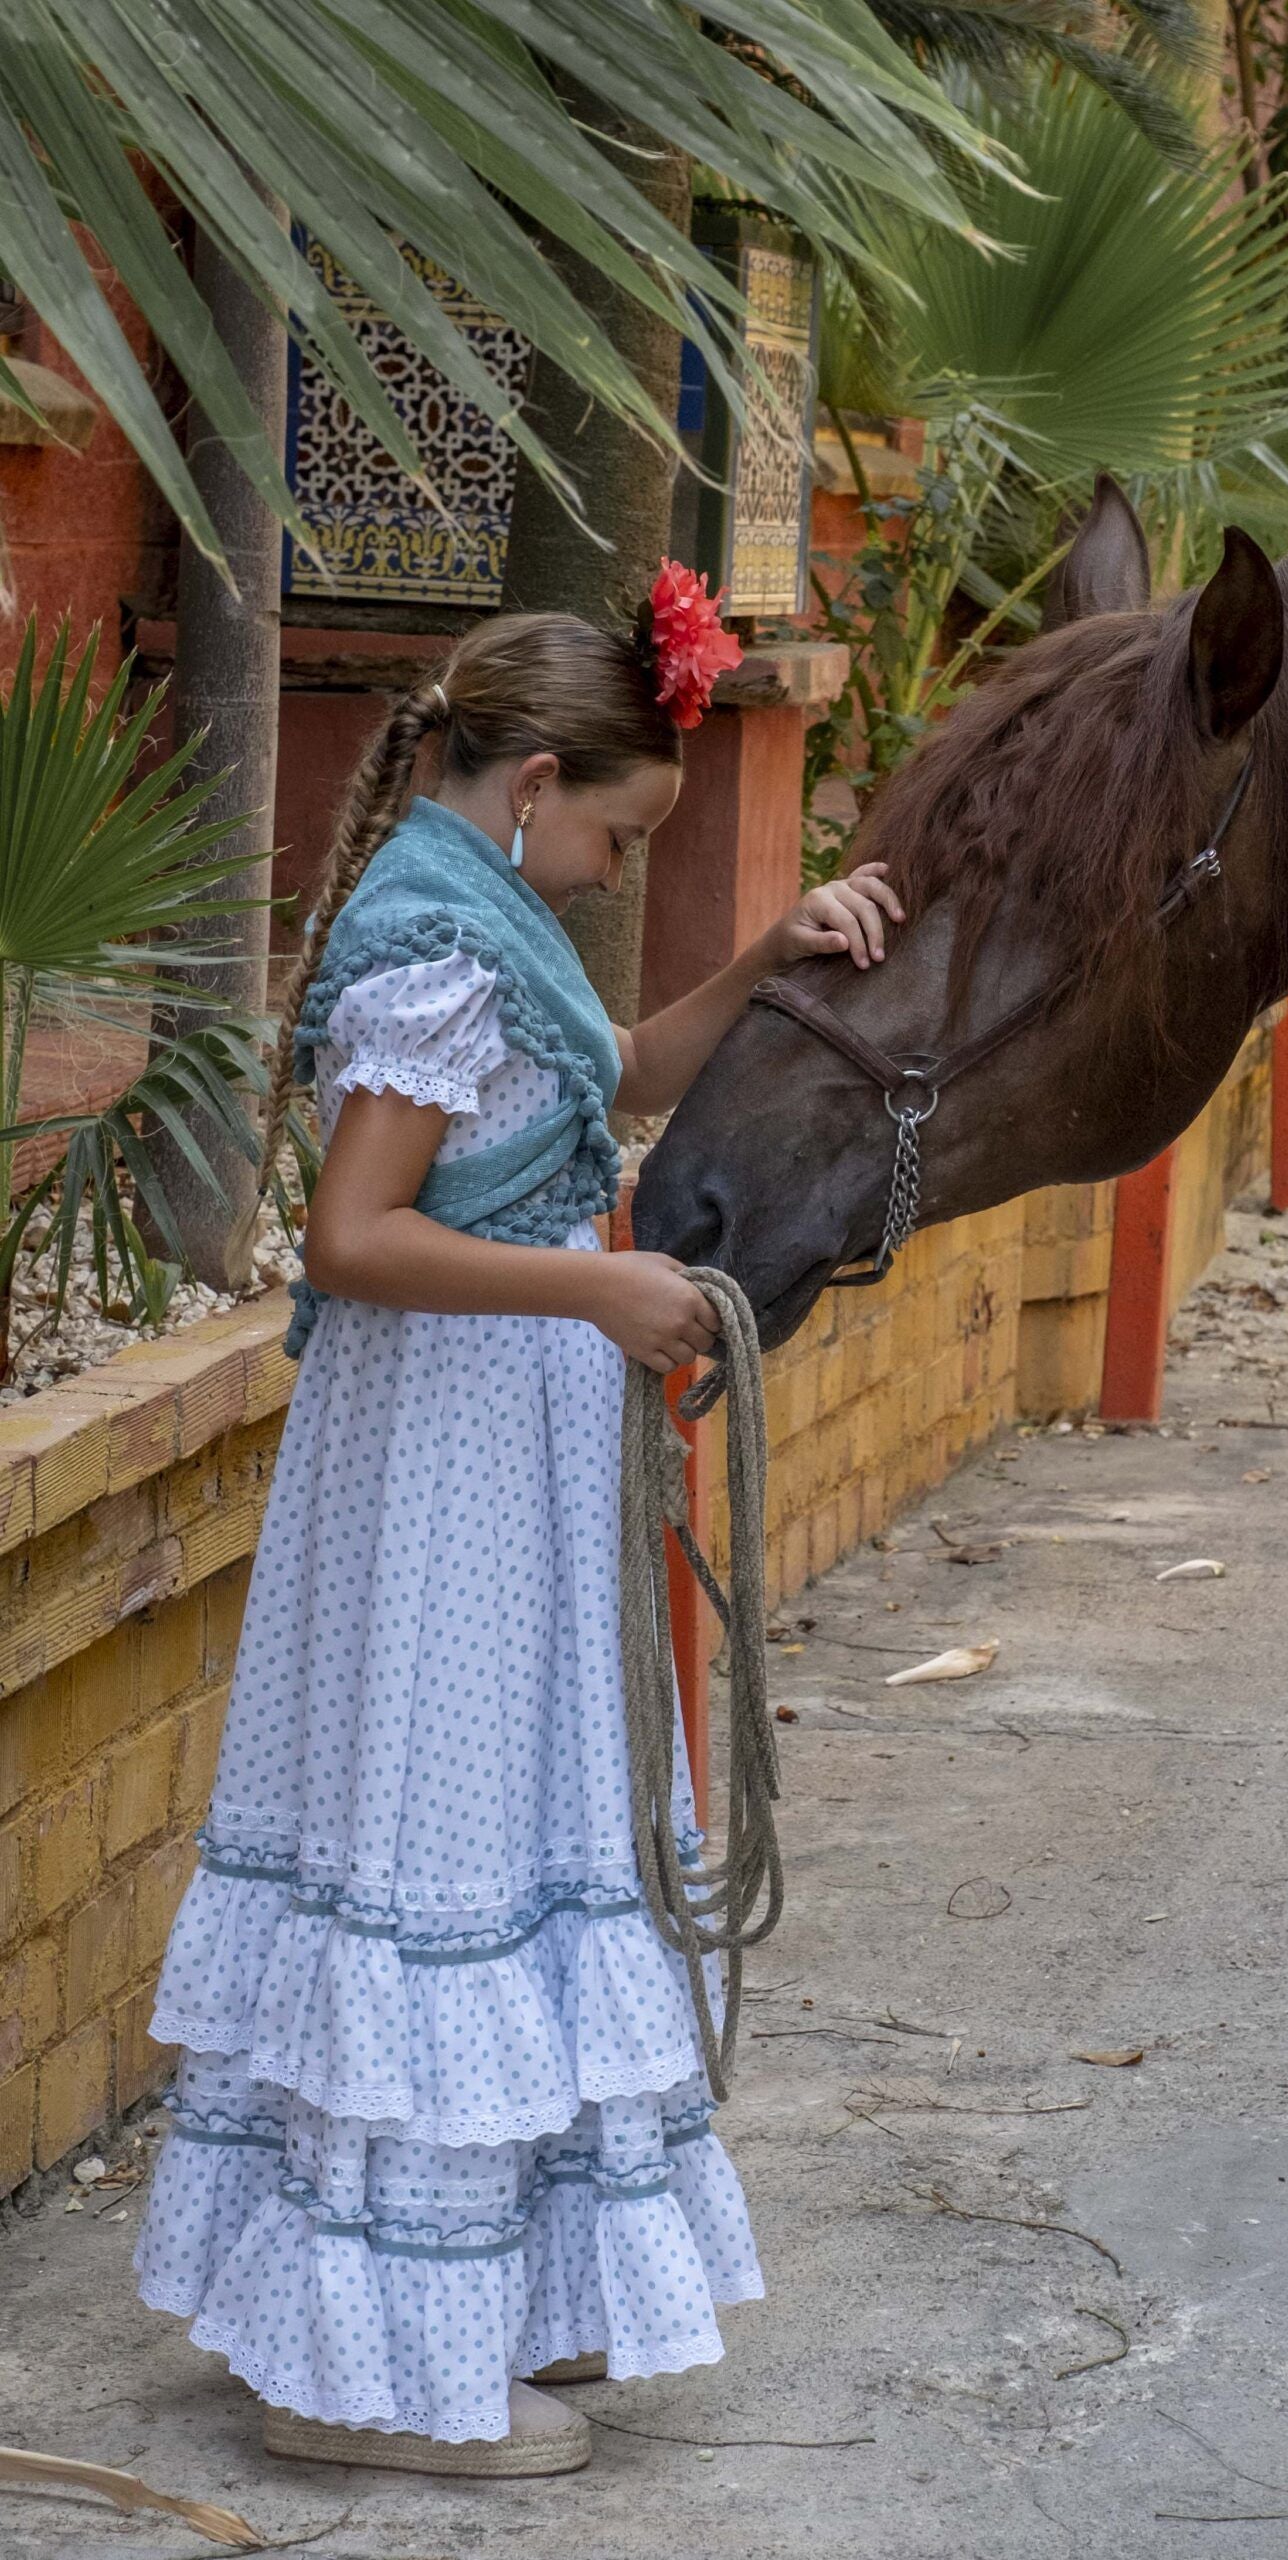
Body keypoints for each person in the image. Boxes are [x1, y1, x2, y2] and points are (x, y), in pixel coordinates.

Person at [133, 570, 903, 2478]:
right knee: (447, 1843)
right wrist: (600, 1292)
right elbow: (356, 1240)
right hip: (445, 1456)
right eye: (618, 835)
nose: (605, 866)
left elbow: (595, 1084)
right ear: (536, 777)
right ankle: (373, 2373)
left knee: (492, 1832)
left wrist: (762, 961)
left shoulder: (482, 905)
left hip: (502, 1446)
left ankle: (413, 2308)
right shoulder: (435, 939)